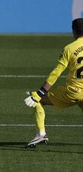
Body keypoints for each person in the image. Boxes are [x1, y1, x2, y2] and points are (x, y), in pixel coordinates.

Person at [24, 18, 83, 148]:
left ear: (74, 31)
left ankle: (41, 134)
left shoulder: (69, 48)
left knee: (38, 100)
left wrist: (40, 93)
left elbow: (56, 72)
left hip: (73, 92)